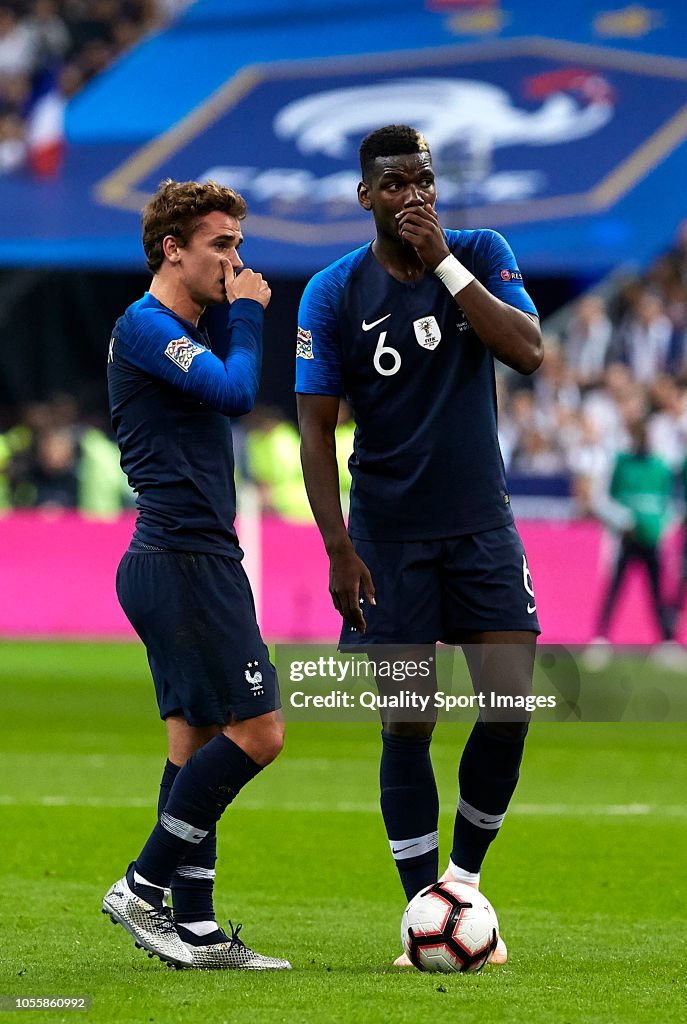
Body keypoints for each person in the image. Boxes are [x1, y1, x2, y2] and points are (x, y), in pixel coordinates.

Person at [296, 125, 543, 966]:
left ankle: (462, 887)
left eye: (425, 181)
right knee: (408, 723)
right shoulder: (331, 293)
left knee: (507, 707)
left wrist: (445, 264)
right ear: (365, 196)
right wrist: (337, 548)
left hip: (481, 525)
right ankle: (419, 918)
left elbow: (527, 352)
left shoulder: (479, 251)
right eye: (396, 184)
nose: (414, 196)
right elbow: (315, 433)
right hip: (387, 538)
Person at [103, 179, 290, 971]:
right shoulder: (145, 327)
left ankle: (199, 931)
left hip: (187, 557)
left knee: (194, 747)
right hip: (181, 558)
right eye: (221, 245)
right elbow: (236, 393)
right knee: (260, 733)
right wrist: (249, 314)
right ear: (171, 249)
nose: (235, 261)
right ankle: (144, 887)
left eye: (239, 245)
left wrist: (231, 314)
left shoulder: (183, 328)